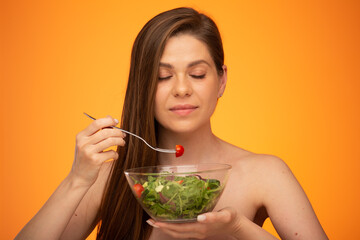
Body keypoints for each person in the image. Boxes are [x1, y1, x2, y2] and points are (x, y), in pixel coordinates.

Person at [15, 7, 328, 240]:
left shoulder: (266, 173)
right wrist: (77, 180)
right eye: (163, 76)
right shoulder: (114, 174)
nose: (181, 88)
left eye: (197, 74)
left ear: (221, 81)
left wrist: (236, 227)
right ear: (142, 86)